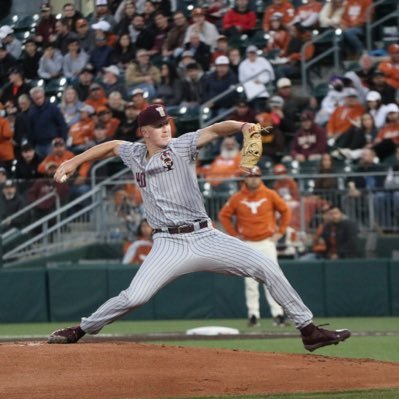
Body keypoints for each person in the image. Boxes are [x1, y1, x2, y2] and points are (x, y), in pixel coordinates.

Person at [47, 104, 351, 351]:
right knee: (134, 298)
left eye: (167, 122)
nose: (166, 127)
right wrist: (74, 161)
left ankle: (308, 330)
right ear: (144, 132)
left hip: (205, 235)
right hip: (168, 243)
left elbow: (218, 129)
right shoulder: (135, 154)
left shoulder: (181, 146)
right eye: (158, 124)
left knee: (267, 266)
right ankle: (82, 329)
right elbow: (112, 145)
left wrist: (244, 127)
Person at [218, 166, 291, 327]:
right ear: (245, 179)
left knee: (272, 278)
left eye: (257, 176)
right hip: (247, 243)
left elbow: (285, 211)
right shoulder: (237, 197)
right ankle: (253, 315)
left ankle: (278, 314)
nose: (254, 179)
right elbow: (223, 215)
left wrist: (280, 232)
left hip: (266, 241)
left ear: (260, 177)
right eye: (251, 176)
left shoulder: (270, 194)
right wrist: (234, 235)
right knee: (250, 281)